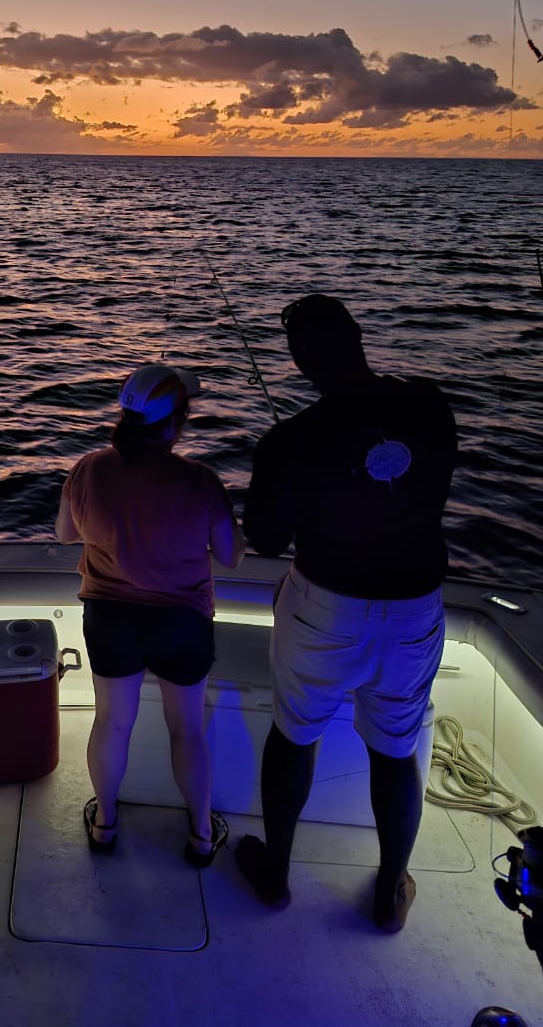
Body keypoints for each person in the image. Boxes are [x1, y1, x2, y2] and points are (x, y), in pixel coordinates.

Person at [237, 294, 457, 932]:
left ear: (299, 360)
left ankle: (275, 873)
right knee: (395, 750)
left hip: (324, 610)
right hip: (415, 610)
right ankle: (390, 893)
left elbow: (270, 541)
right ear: (358, 335)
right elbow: (430, 483)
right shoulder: (431, 404)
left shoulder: (289, 439)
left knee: (295, 733)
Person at [56, 362, 244, 865]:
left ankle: (105, 824)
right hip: (180, 623)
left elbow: (65, 534)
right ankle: (202, 836)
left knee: (112, 723)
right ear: (177, 422)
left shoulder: (87, 468)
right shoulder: (201, 481)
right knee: (188, 730)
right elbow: (231, 555)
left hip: (109, 618)